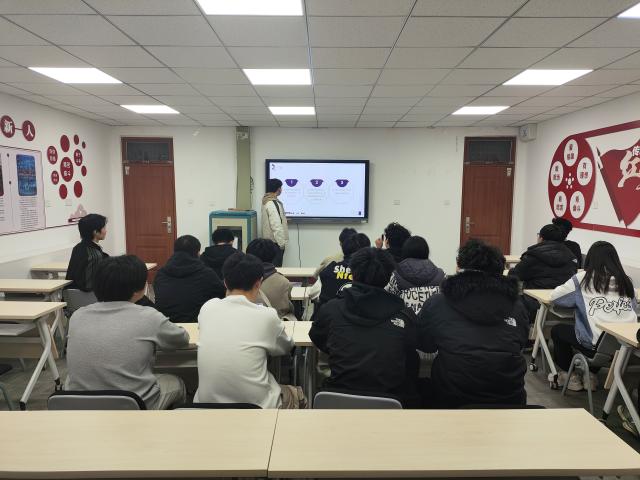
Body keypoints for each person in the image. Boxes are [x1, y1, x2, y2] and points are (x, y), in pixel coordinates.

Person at [65, 255, 189, 410]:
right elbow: (182, 339)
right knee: (177, 382)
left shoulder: (77, 316)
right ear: (139, 290)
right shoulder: (149, 316)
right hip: (133, 404)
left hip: (79, 405)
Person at [418, 239, 529, 408]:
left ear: (458, 266)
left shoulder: (438, 302)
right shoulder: (516, 306)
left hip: (451, 399)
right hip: (510, 400)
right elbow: (520, 343)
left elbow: (426, 345)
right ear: (501, 270)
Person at [310, 247, 419, 407]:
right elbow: (411, 350)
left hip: (338, 402)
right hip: (390, 405)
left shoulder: (331, 309)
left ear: (352, 274)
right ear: (389, 277)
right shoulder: (404, 316)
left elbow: (317, 338)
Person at [195, 252, 306, 409]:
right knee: (297, 395)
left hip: (206, 405)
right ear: (258, 284)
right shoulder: (266, 315)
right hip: (256, 407)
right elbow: (285, 348)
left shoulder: (208, 308)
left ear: (225, 282)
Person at [550, 241, 637, 391]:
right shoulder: (625, 281)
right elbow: (633, 308)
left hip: (595, 347)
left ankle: (570, 376)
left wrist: (577, 302)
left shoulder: (583, 278)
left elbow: (555, 297)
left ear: (590, 258)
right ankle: (590, 375)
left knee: (558, 331)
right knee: (600, 333)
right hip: (626, 347)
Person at [509, 224, 578, 318]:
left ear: (541, 238)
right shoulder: (572, 257)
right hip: (565, 306)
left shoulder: (533, 256)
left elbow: (516, 275)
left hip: (533, 304)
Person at [153, 235, 225, 323]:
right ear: (198, 253)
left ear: (174, 251)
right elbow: (222, 294)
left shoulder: (161, 273)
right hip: (197, 324)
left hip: (165, 324)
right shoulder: (207, 274)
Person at [386, 236, 445, 314]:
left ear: (405, 251)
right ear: (426, 251)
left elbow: (388, 299)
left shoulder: (396, 275)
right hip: (434, 319)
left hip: (405, 319)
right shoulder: (441, 275)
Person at [310, 233, 371, 306]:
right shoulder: (372, 273)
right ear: (367, 252)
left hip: (330, 312)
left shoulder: (329, 269)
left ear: (344, 250)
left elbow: (312, 293)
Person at [246, 238, 296, 321]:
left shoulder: (241, 279)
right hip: (277, 323)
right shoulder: (283, 282)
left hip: (249, 321)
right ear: (273, 255)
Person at [66, 213, 108, 291]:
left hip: (71, 295)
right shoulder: (94, 255)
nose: (106, 231)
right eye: (104, 228)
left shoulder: (78, 247)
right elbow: (89, 286)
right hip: (88, 296)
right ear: (95, 232)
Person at [261, 178, 288, 267]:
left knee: (270, 268)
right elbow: (276, 225)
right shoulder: (273, 203)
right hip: (275, 243)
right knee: (276, 269)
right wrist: (281, 244)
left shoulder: (266, 201)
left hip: (269, 243)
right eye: (281, 187)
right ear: (278, 189)